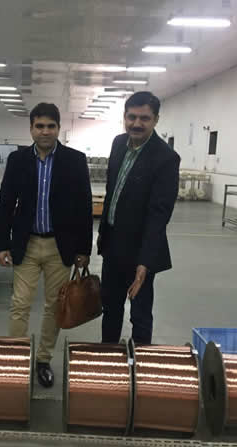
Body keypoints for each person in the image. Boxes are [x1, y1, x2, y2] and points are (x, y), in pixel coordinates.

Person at [0, 103, 92, 388]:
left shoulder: (75, 160)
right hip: (26, 244)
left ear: (59, 129)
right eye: (39, 126)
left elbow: (84, 207)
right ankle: (17, 359)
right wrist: (3, 244)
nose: (45, 131)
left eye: (51, 126)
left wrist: (84, 250)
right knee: (20, 304)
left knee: (54, 307)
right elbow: (6, 202)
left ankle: (42, 360)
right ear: (31, 129)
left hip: (59, 247)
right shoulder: (17, 160)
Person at [97, 91, 180, 346]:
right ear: (124, 117)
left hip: (140, 250)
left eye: (144, 118)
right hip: (113, 246)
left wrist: (145, 262)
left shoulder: (166, 158)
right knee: (110, 308)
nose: (136, 123)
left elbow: (159, 215)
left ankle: (141, 362)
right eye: (131, 117)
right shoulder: (118, 143)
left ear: (156, 120)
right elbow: (112, 191)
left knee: (140, 314)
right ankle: (108, 357)